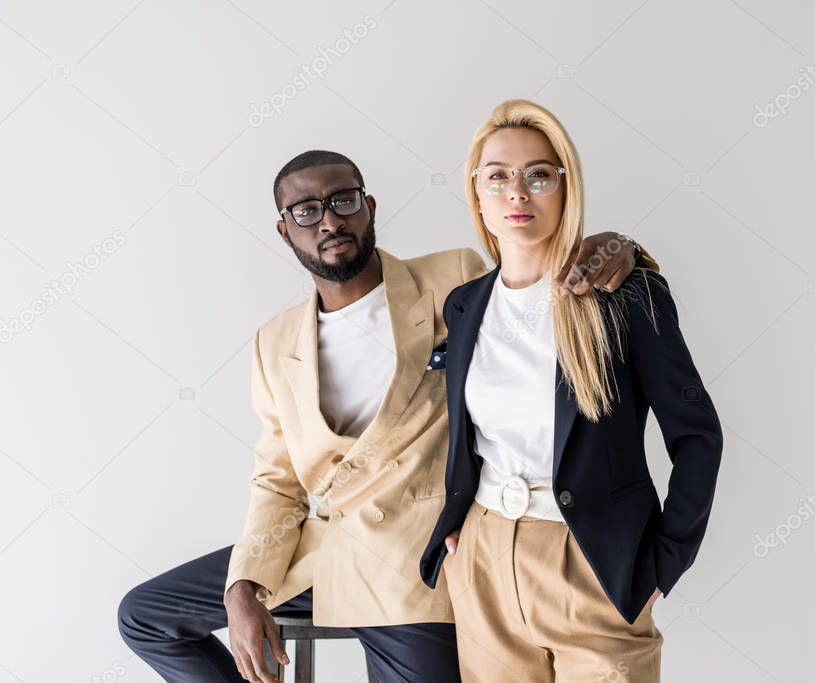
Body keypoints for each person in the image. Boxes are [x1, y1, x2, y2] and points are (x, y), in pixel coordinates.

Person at [117, 149, 654, 683]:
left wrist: (619, 246)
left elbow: (541, 289)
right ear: (285, 232)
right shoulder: (274, 343)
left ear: (368, 206)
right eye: (306, 211)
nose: (329, 220)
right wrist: (244, 587)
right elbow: (278, 483)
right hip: (323, 549)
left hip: (416, 562)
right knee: (145, 617)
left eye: (342, 201)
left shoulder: (453, 276)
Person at [419, 100, 723, 682]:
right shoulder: (465, 306)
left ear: (566, 186)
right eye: (498, 176)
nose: (518, 193)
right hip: (484, 561)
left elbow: (697, 436)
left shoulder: (625, 296)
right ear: (477, 192)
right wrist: (462, 529)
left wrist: (664, 564)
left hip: (593, 564)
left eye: (538, 174)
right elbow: (469, 437)